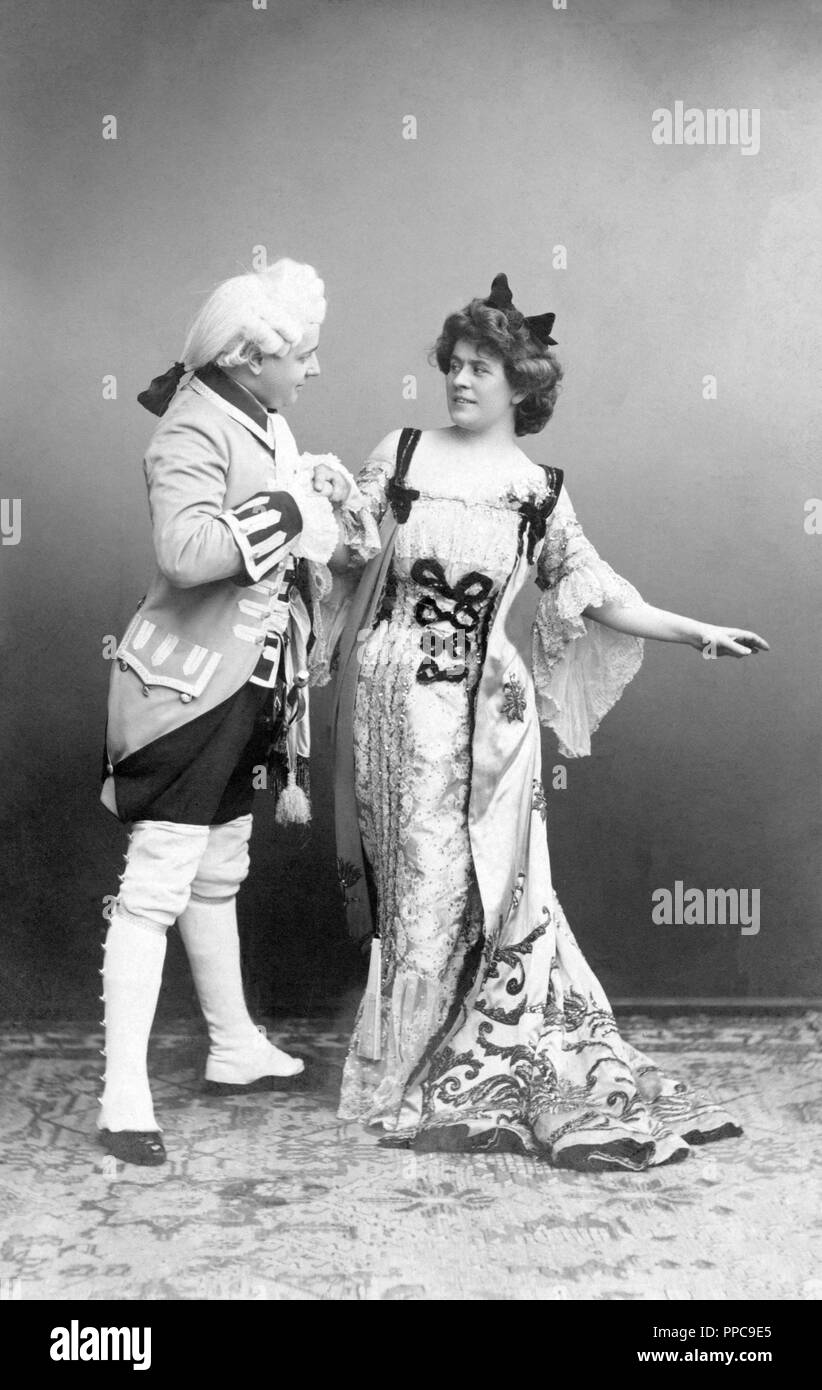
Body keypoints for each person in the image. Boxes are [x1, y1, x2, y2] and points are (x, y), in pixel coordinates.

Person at [327, 273, 769, 1170]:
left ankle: (434, 1071)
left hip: (483, 715)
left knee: (465, 880)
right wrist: (304, 502)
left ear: (522, 384)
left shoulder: (539, 489)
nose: (459, 380)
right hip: (387, 703)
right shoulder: (402, 452)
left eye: (481, 367)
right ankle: (399, 1062)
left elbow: (596, 590)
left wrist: (694, 631)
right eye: (453, 364)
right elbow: (347, 550)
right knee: (410, 880)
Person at [98, 260, 369, 1166]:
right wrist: (295, 503)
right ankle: (123, 1096)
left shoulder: (259, 416)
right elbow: (185, 553)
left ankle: (233, 1045)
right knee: (156, 882)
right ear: (251, 357)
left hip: (247, 686)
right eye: (305, 354)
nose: (315, 370)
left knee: (217, 865)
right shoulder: (189, 429)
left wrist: (321, 500)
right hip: (183, 692)